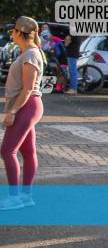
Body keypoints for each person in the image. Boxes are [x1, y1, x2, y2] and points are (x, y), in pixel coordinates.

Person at [1, 16, 45, 210]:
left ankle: (15, 197)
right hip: (28, 106)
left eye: (13, 31)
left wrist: (13, 111)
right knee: (27, 151)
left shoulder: (30, 55)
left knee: (6, 151)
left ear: (20, 33)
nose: (11, 34)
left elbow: (27, 89)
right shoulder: (28, 53)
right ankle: (26, 196)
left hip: (27, 106)